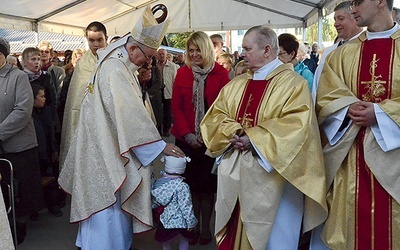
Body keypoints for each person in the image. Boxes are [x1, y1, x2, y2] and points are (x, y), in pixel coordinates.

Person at [58, 6, 185, 249]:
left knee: (104, 207)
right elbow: (129, 117)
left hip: (102, 145)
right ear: (133, 47)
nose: (147, 61)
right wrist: (161, 146)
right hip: (105, 152)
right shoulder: (116, 70)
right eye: (146, 55)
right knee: (107, 207)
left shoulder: (116, 60)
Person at [200, 25, 327, 250]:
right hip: (237, 171)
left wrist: (254, 139)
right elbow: (215, 116)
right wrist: (235, 132)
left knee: (273, 240)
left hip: (274, 178)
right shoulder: (238, 83)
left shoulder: (293, 85)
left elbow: (298, 126)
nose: (242, 54)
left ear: (267, 50)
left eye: (248, 49)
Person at [315, 0, 400, 249]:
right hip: (352, 159)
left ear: (381, 1)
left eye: (358, 2)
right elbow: (326, 97)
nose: (352, 8)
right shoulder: (342, 54)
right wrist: (345, 107)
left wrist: (382, 114)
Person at [170, 31, 230, 246]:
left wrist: (207, 136)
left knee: (207, 189)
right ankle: (192, 224)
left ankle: (206, 227)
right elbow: (176, 107)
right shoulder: (183, 73)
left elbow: (223, 110)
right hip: (186, 141)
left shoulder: (221, 74)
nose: (194, 55)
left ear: (206, 49)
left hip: (210, 142)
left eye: (197, 50)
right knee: (190, 188)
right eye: (190, 51)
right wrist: (188, 133)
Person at [0, 37, 44, 245]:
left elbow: (23, 111)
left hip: (19, 145)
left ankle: (19, 223)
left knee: (21, 188)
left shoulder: (17, 76)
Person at [60, 21, 108, 166]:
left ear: (106, 37)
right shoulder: (82, 65)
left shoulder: (116, 60)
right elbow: (76, 100)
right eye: (91, 40)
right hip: (88, 123)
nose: (96, 44)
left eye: (99, 40)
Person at [311, 1, 363, 103]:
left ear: (355, 18)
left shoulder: (369, 47)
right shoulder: (329, 52)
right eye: (335, 19)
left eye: (341, 18)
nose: (335, 24)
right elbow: (317, 85)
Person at [151, 155, 197, 250]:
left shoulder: (158, 183)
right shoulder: (182, 186)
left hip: (165, 220)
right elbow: (186, 206)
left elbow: (154, 202)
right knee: (184, 239)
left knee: (166, 242)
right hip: (181, 221)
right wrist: (191, 222)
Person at [31, 84, 63, 219]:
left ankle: (52, 204)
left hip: (48, 151)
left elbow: (51, 131)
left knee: (50, 178)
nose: (44, 99)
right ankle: (35, 209)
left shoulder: (47, 111)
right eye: (41, 96)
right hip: (36, 152)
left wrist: (54, 148)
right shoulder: (30, 115)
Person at [157, 48, 179, 137]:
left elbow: (175, 80)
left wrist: (175, 92)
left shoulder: (173, 66)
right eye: (160, 54)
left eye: (163, 54)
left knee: (168, 112)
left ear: (166, 55)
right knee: (157, 111)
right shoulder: (155, 65)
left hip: (168, 91)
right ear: (157, 55)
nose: (161, 56)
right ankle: (158, 130)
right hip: (157, 91)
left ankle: (166, 130)